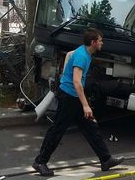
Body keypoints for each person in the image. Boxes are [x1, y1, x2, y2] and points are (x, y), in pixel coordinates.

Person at [32, 28, 124, 176]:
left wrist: (64, 75)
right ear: (93, 42)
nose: (102, 43)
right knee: (57, 130)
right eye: (100, 40)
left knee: (90, 127)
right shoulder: (82, 56)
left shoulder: (82, 51)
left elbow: (69, 54)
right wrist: (86, 105)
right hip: (69, 96)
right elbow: (76, 82)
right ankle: (40, 162)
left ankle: (106, 159)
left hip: (73, 95)